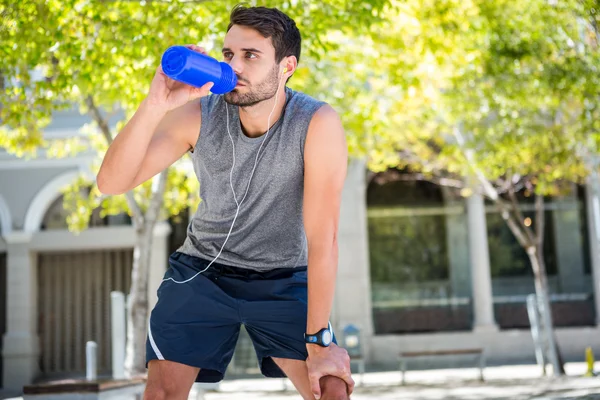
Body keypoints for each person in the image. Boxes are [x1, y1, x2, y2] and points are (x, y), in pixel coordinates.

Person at [97, 5, 353, 400]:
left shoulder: (316, 123)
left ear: (287, 66)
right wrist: (155, 104)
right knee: (161, 392)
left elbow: (324, 240)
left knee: (331, 388)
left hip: (282, 278)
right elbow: (111, 183)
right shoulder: (197, 114)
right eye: (228, 54)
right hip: (202, 274)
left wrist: (319, 340)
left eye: (250, 56)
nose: (234, 67)